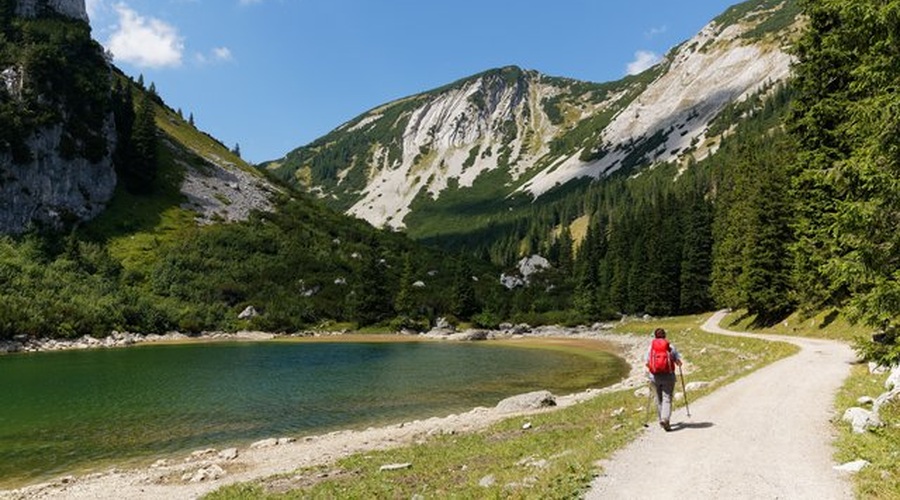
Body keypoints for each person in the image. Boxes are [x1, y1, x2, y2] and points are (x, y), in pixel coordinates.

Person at [645, 327, 683, 431]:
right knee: (667, 398)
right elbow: (678, 362)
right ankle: (665, 419)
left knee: (658, 399)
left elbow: (647, 363)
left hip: (654, 377)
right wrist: (678, 363)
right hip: (668, 376)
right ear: (665, 336)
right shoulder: (670, 347)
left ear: (655, 336)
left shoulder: (650, 348)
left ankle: (662, 420)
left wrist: (653, 370)